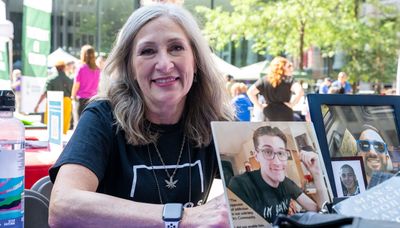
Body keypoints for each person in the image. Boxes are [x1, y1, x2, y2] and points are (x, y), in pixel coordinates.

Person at [48, 4, 233, 227]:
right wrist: (182, 218)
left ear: (196, 62)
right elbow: (62, 207)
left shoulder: (216, 119)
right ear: (130, 68)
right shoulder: (104, 117)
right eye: (147, 51)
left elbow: (273, 194)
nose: (165, 64)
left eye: (176, 48)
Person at [228, 126, 328, 223]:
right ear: (256, 156)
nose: (277, 162)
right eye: (267, 152)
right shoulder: (240, 185)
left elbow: (321, 212)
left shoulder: (286, 183)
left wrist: (317, 174)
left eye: (280, 153)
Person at [247, 57, 304, 121]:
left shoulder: (264, 80)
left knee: (269, 131)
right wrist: (292, 104)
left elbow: (250, 92)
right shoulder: (289, 80)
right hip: (285, 113)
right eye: (289, 66)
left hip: (268, 114)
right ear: (282, 67)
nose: (291, 68)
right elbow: (300, 91)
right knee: (285, 131)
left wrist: (259, 106)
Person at [34, 61, 73, 135]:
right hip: (66, 102)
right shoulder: (69, 79)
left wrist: (38, 104)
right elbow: (72, 93)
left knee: (52, 124)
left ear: (56, 68)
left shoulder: (51, 79)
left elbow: (44, 93)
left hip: (54, 102)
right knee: (64, 125)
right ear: (64, 68)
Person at [70, 44, 101, 119]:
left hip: (82, 100)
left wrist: (73, 96)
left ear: (83, 55)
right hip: (93, 99)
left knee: (80, 122)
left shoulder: (81, 68)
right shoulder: (97, 69)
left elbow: (76, 84)